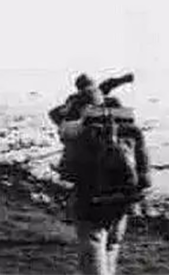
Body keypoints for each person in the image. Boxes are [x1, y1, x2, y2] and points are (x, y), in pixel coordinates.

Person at [62, 94, 150, 275]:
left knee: (93, 243)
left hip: (90, 200)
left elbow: (69, 171)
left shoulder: (84, 131)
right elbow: (145, 176)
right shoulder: (134, 132)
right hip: (122, 200)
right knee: (112, 245)